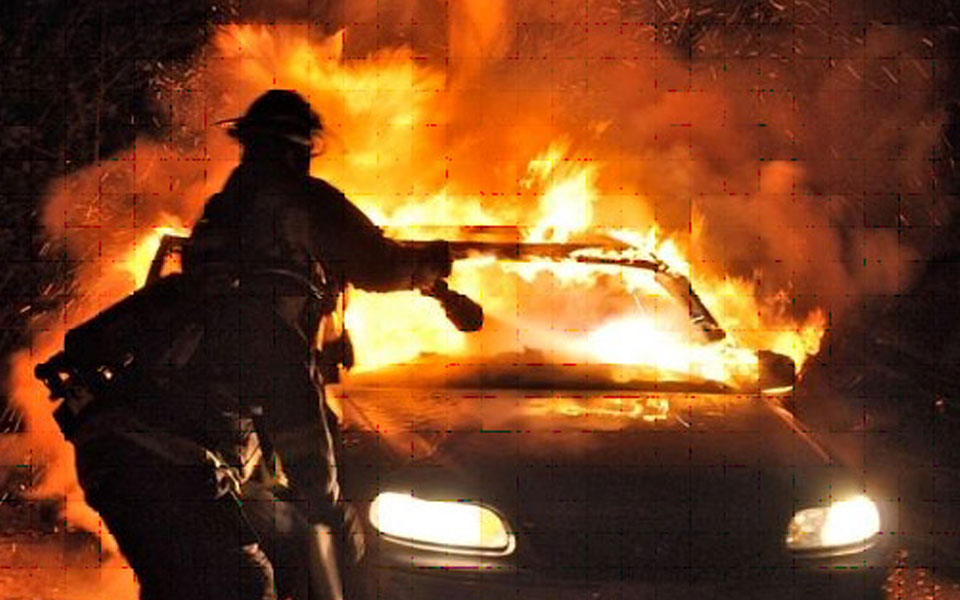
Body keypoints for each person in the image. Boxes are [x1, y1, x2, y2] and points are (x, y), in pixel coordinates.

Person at [59, 89, 453, 600]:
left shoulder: (218, 232)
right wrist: (328, 505)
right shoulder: (268, 297)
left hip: (116, 456)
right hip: (168, 463)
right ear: (300, 150)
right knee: (242, 583)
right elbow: (297, 397)